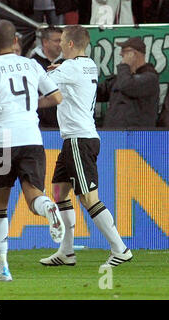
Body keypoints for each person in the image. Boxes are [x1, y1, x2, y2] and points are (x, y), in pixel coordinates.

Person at [0, 20, 65, 281]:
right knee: (34, 197)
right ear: (16, 41)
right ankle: (48, 209)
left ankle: (3, 268)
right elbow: (56, 98)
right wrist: (29, 107)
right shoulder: (33, 65)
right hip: (31, 137)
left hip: (2, 140)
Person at [38, 25, 133, 267]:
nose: (59, 45)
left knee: (89, 198)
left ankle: (120, 248)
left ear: (70, 44)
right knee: (59, 191)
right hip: (74, 138)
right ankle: (67, 251)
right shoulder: (89, 64)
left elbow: (42, 84)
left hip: (79, 139)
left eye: (62, 41)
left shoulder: (69, 67)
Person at [97, 37, 159, 128]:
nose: (120, 54)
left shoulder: (150, 78)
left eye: (124, 52)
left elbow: (127, 86)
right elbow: (100, 91)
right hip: (113, 135)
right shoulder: (122, 77)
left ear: (134, 54)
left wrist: (124, 65)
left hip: (136, 137)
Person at [31, 27, 64, 128]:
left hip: (64, 123)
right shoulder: (32, 63)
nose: (61, 44)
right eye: (57, 41)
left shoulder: (67, 63)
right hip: (39, 124)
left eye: (62, 41)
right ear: (45, 42)